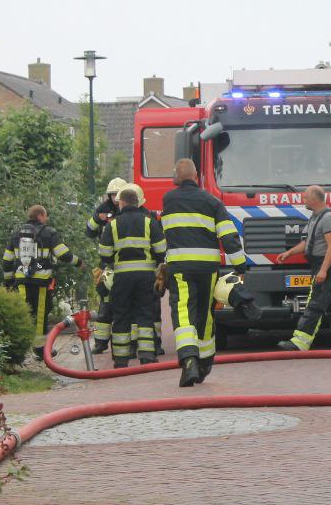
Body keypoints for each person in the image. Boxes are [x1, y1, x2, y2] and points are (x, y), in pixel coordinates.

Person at [161, 158, 248, 387]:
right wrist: (240, 266)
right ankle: (205, 363)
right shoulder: (212, 201)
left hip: (180, 268)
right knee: (205, 315)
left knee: (184, 312)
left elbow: (165, 234)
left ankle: (189, 361)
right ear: (196, 176)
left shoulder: (168, 200)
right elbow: (228, 236)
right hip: (207, 269)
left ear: (177, 177)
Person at [277, 184, 331, 352]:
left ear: (314, 199)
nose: (303, 200)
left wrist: (323, 270)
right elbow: (307, 243)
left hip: (327, 265)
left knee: (316, 302)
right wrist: (289, 253)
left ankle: (300, 341)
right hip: (318, 264)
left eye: (305, 197)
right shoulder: (315, 218)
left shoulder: (328, 218)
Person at [98, 186, 167, 368]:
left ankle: (121, 359)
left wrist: (115, 259)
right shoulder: (149, 222)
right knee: (145, 313)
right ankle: (147, 355)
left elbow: (104, 254)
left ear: (121, 203)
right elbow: (161, 250)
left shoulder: (113, 224)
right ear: (137, 203)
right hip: (146, 277)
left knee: (121, 314)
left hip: (122, 277)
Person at [3, 205, 83, 359]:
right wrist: (78, 262)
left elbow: (7, 260)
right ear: (40, 216)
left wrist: (8, 282)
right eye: (45, 216)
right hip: (40, 281)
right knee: (40, 314)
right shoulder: (49, 232)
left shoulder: (16, 234)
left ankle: (17, 349)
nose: (46, 219)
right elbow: (62, 253)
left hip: (21, 281)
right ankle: (40, 350)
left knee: (23, 312)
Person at [85, 177, 129, 354]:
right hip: (107, 263)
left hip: (126, 261)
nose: (115, 199)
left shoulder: (130, 208)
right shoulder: (103, 209)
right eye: (112, 195)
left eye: (118, 195)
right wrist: (97, 218)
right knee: (105, 302)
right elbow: (89, 231)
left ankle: (130, 343)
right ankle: (100, 342)